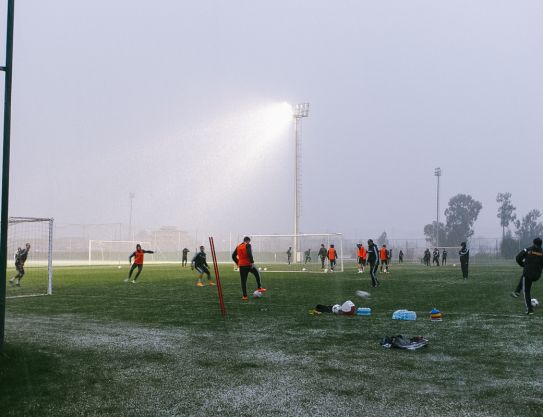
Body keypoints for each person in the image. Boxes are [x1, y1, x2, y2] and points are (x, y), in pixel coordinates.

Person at [511, 237, 543, 315]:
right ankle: (517, 291)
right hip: (537, 275)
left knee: (526, 291)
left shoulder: (527, 250)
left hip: (528, 274)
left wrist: (523, 265)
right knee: (525, 276)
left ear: (533, 243)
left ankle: (530, 310)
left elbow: (518, 257)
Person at [232, 236, 266, 301]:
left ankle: (245, 296)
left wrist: (238, 263)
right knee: (257, 273)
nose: (249, 242)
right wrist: (252, 262)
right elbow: (249, 253)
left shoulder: (238, 246)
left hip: (241, 266)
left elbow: (233, 256)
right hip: (248, 264)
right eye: (249, 241)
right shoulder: (248, 245)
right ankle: (259, 287)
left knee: (243, 281)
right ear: (247, 241)